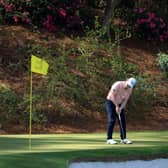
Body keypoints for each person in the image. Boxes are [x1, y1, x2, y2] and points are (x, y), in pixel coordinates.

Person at [105, 77, 136, 144]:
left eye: (130, 86)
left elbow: (125, 100)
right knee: (112, 120)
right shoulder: (117, 84)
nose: (128, 86)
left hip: (119, 104)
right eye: (128, 84)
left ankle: (123, 138)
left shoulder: (130, 89)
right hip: (110, 102)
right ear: (126, 80)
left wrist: (121, 108)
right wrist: (116, 106)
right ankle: (109, 139)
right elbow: (112, 96)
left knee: (122, 120)